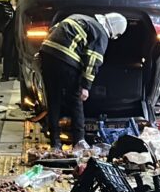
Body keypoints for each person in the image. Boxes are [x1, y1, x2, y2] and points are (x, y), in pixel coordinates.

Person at [39, 13, 126, 149]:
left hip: (47, 53)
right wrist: (85, 87)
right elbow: (93, 61)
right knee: (76, 101)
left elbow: (53, 30)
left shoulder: (80, 17)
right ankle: (79, 142)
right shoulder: (101, 33)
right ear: (114, 31)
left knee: (53, 99)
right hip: (66, 59)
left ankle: (55, 143)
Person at [1, 2, 18, 83]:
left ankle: (15, 73)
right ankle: (7, 74)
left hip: (16, 32)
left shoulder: (19, 7)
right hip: (9, 33)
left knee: (17, 53)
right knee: (8, 52)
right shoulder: (6, 7)